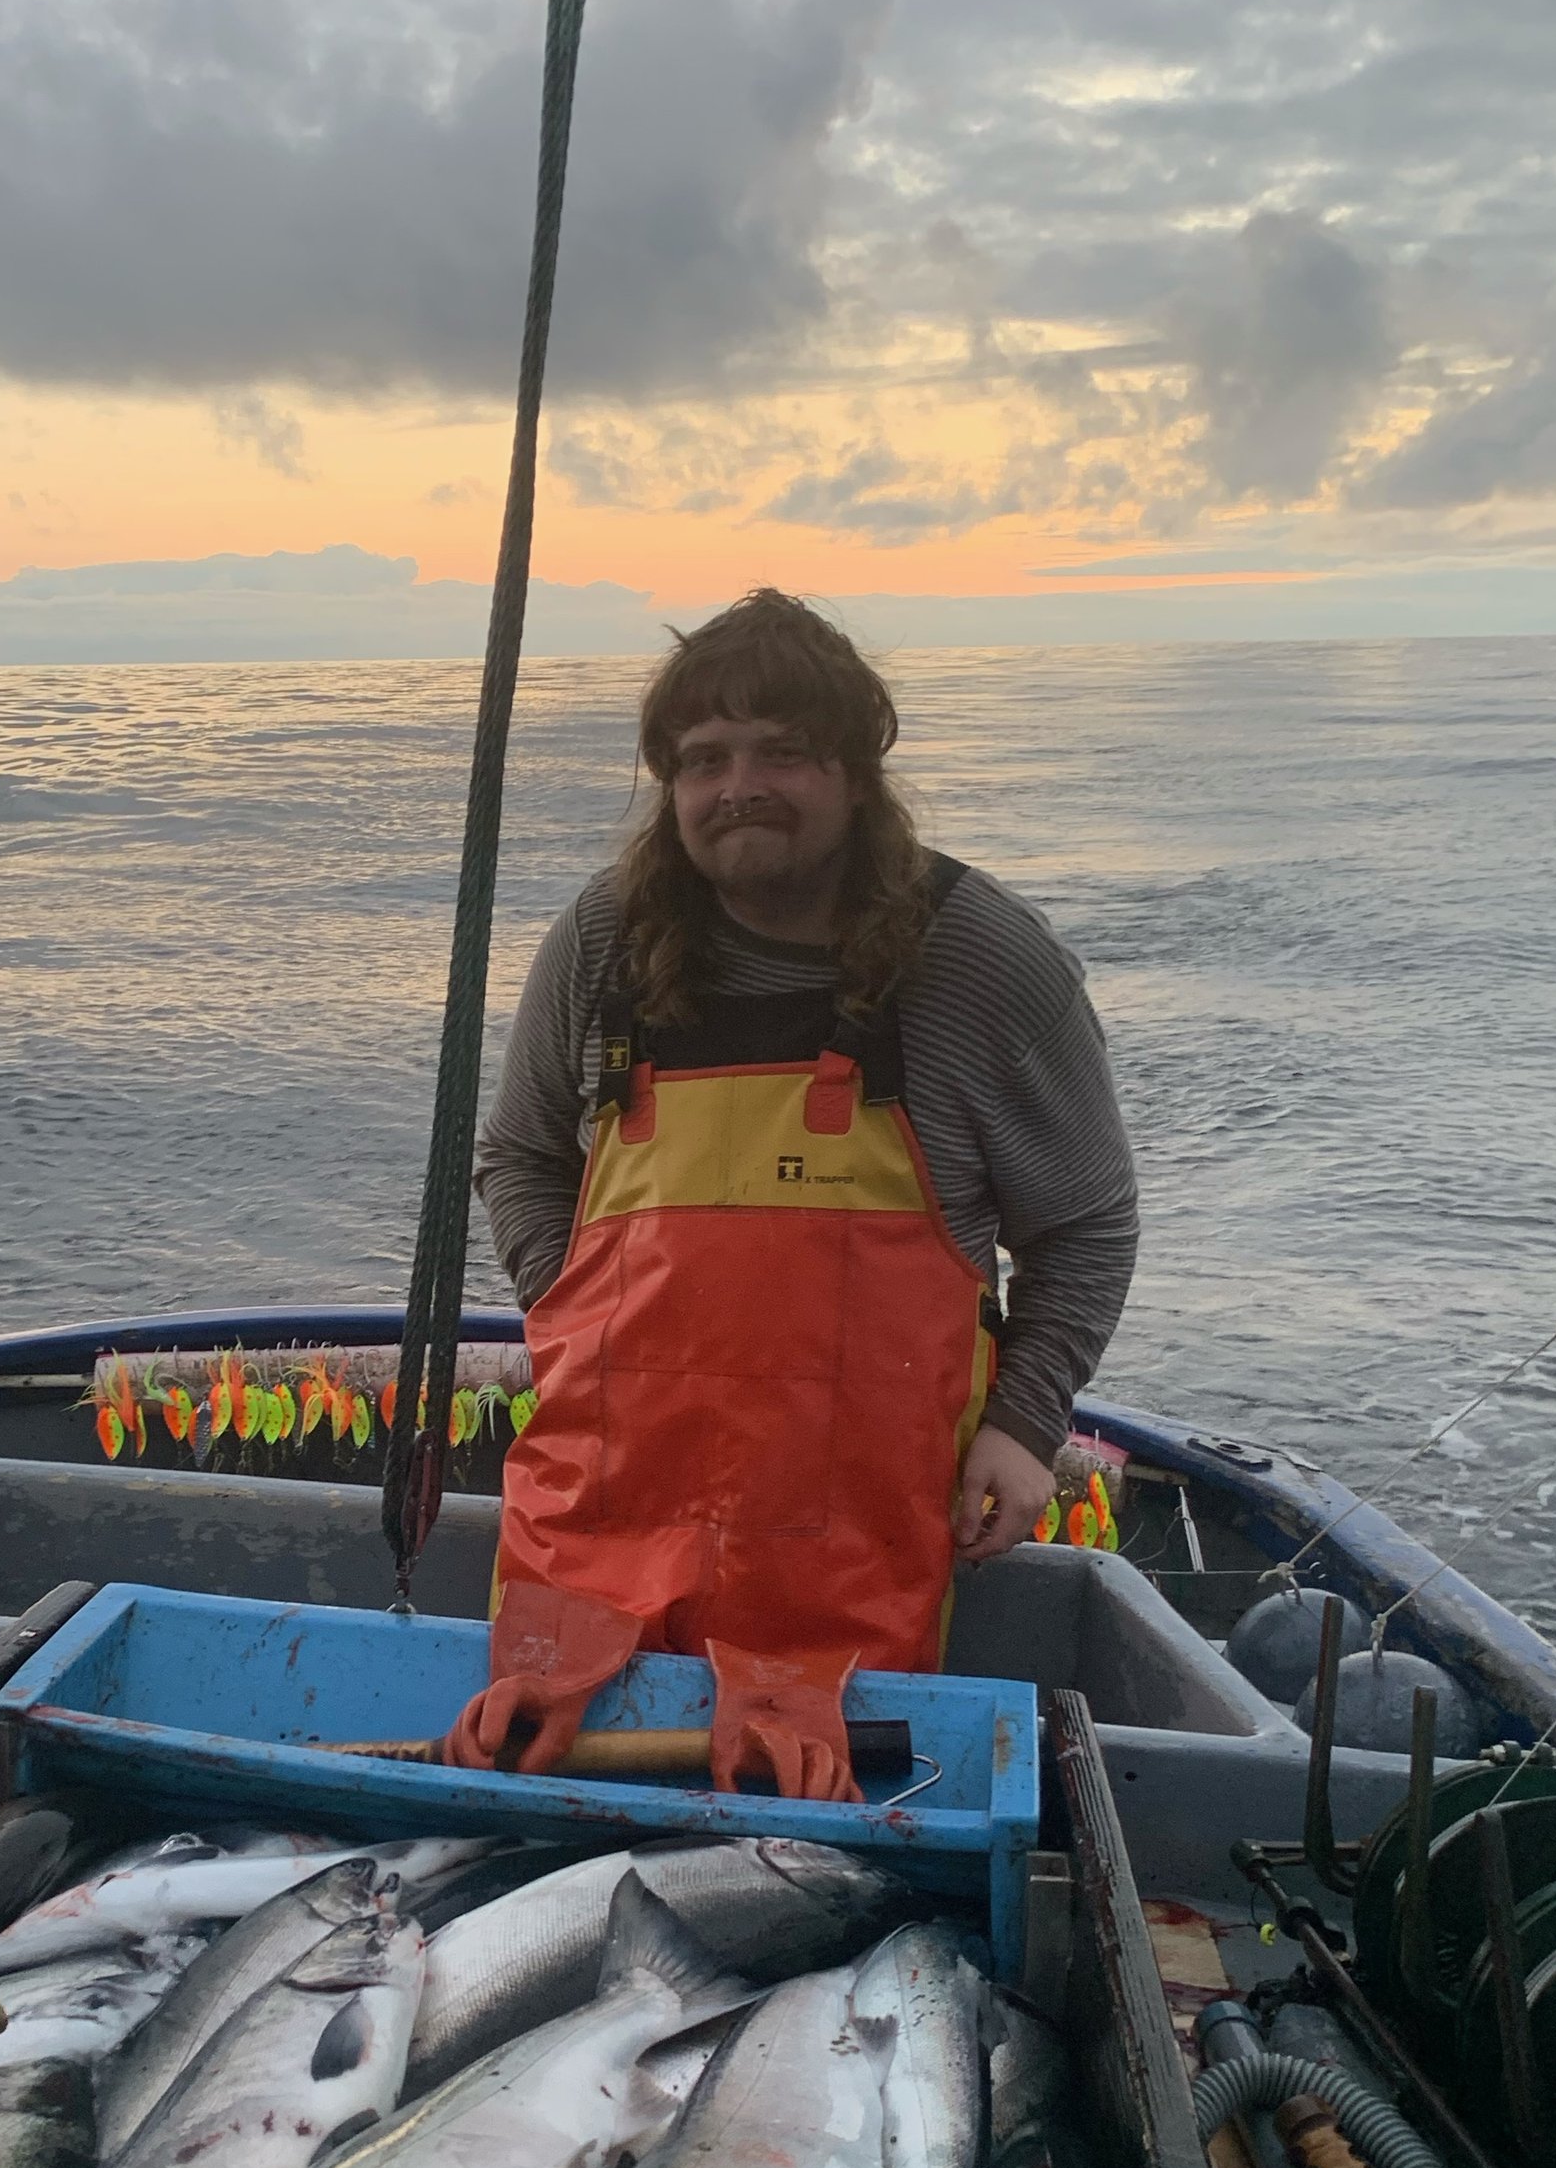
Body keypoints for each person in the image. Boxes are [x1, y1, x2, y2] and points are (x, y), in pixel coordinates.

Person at [442, 588, 1139, 1802]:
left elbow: (1083, 1223)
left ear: (857, 775)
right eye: (703, 760)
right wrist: (571, 1310)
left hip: (848, 1540)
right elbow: (517, 1154)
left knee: (818, 1839)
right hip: (595, 1516)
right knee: (541, 1807)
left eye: (782, 752)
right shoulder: (603, 940)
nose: (737, 787)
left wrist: (1025, 1425)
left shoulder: (975, 956)